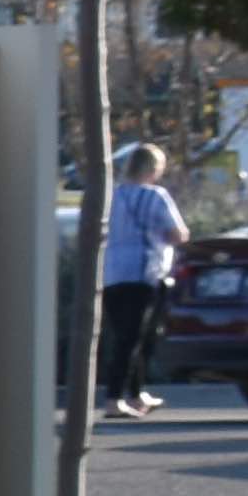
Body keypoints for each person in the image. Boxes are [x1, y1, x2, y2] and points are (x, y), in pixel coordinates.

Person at [101, 143, 182, 412]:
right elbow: (177, 233)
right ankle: (115, 398)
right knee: (136, 337)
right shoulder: (155, 196)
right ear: (152, 168)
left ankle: (135, 393)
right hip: (144, 272)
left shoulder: (112, 197)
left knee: (124, 336)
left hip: (112, 273)